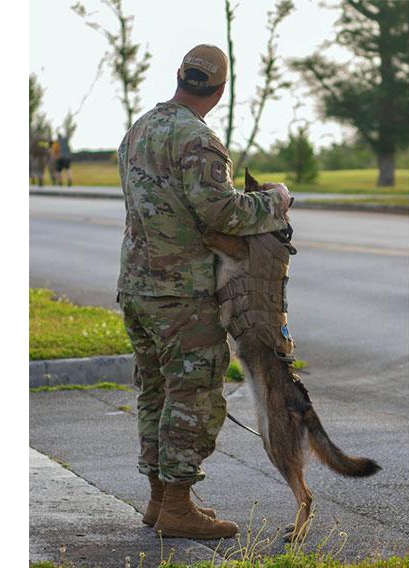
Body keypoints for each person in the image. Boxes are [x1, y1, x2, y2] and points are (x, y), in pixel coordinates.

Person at [116, 44, 292, 540]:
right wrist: (275, 201)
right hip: (182, 295)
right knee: (194, 396)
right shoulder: (198, 140)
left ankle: (160, 500)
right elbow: (224, 213)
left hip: (137, 287)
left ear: (179, 77)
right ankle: (176, 506)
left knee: (155, 390)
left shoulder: (138, 130)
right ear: (219, 89)